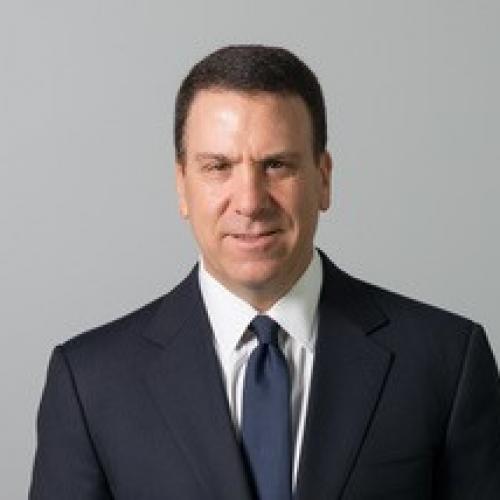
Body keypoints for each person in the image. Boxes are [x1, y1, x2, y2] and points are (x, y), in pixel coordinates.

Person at [29, 45, 500, 500]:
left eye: (276, 165)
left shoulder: (447, 363)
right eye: (218, 167)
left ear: (323, 179)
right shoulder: (90, 383)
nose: (251, 201)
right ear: (182, 187)